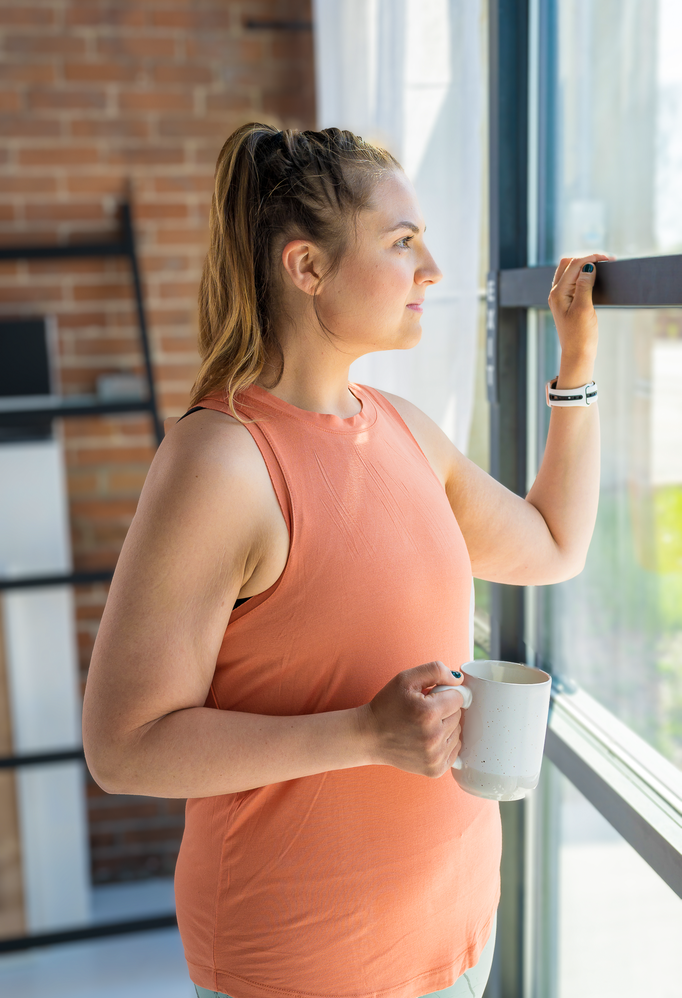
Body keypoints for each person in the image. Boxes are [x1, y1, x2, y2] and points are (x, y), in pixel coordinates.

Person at [82, 124, 606, 998]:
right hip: (301, 965)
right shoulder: (221, 462)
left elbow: (554, 545)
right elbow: (124, 746)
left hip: (454, 935)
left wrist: (578, 366)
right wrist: (365, 734)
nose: (432, 269)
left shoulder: (405, 430)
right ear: (306, 267)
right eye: (402, 243)